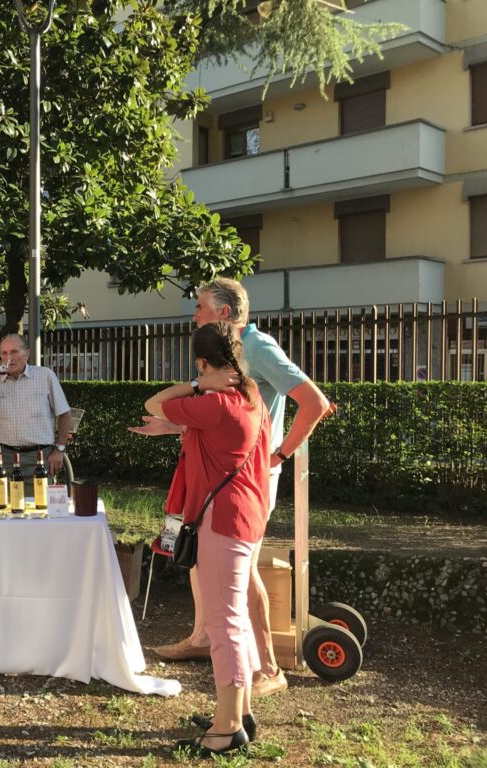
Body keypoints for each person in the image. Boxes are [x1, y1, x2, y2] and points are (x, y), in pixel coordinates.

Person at [145, 277, 330, 698]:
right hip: (217, 475)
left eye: (200, 306)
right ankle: (203, 638)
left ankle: (267, 668)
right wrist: (173, 425)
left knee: (241, 571)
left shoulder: (258, 347)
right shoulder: (227, 350)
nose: (193, 315)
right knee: (200, 557)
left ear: (224, 313)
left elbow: (314, 403)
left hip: (246, 479)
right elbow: (223, 412)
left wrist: (279, 455)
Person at [141, 321, 271, 757]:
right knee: (233, 617)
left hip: (221, 519)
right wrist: (178, 428)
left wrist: (197, 384)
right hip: (247, 513)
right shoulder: (251, 399)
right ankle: (243, 711)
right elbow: (224, 437)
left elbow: (154, 401)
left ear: (202, 361)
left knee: (223, 622)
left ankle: (227, 725)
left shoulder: (214, 400)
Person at [0, 334, 73, 491]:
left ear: (27, 353)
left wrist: (60, 449)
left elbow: (65, 413)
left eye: (14, 352)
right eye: (4, 353)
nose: (8, 358)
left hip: (38, 457)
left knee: (37, 510)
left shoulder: (44, 376)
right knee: (1, 510)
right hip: (2, 458)